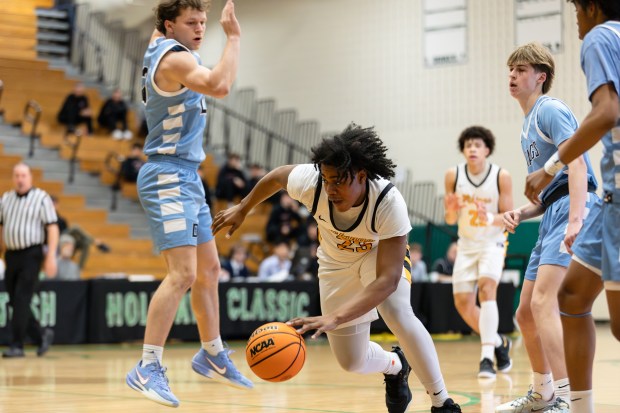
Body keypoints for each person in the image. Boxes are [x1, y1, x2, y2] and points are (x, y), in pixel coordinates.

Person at [213, 124, 462, 413]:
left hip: (376, 255)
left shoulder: (388, 202)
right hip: (334, 263)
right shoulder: (312, 182)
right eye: (327, 180)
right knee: (351, 361)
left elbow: (388, 280)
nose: (330, 189)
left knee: (397, 311)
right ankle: (395, 366)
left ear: (361, 175)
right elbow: (279, 176)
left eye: (338, 182)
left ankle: (442, 402)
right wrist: (244, 207)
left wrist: (334, 317)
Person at [125, 0, 251, 408]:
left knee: (210, 270)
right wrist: (232, 37)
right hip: (166, 174)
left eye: (203, 22)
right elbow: (220, 85)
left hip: (187, 174)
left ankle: (211, 353)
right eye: (191, 22)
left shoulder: (162, 43)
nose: (200, 28)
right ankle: (147, 366)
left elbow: (160, 19)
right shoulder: (175, 60)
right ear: (168, 26)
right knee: (182, 274)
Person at [523, 3, 620, 412]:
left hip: (603, 198)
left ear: (592, 7)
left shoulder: (600, 37)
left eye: (578, 9)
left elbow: (606, 114)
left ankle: (559, 397)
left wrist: (550, 167)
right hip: (606, 198)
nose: (576, 20)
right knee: (573, 297)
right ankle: (576, 406)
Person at [497, 42, 599, 413]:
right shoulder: (527, 126)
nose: (513, 75)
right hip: (554, 213)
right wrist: (522, 213)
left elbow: (578, 166)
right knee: (524, 312)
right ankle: (543, 393)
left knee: (544, 303)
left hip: (576, 208)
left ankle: (568, 399)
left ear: (541, 77)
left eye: (521, 70)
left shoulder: (550, 109)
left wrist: (576, 219)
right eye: (511, 69)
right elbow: (548, 193)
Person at [443, 125, 514, 379]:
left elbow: (509, 219)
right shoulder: (453, 175)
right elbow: (450, 219)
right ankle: (499, 342)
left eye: (477, 145)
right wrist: (451, 210)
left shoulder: (500, 176)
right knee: (463, 304)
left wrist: (489, 218)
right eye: (468, 145)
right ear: (463, 150)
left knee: (487, 288)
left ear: (487, 150)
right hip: (467, 244)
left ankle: (486, 358)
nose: (472, 148)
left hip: (492, 242)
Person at [0, 163, 58, 358]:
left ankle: (17, 345)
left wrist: (50, 256)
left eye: (23, 175)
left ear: (30, 177)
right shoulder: (6, 199)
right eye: (16, 175)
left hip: (32, 255)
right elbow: (2, 227)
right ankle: (42, 335)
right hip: (11, 255)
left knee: (22, 297)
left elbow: (52, 228)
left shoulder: (41, 198)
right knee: (16, 301)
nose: (20, 179)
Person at [52, 196, 110, 269]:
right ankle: (97, 243)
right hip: (56, 238)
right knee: (75, 227)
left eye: (55, 204)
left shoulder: (62, 219)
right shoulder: (47, 218)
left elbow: (68, 232)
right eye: (52, 204)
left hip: (65, 237)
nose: (54, 206)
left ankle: (79, 268)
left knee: (85, 243)